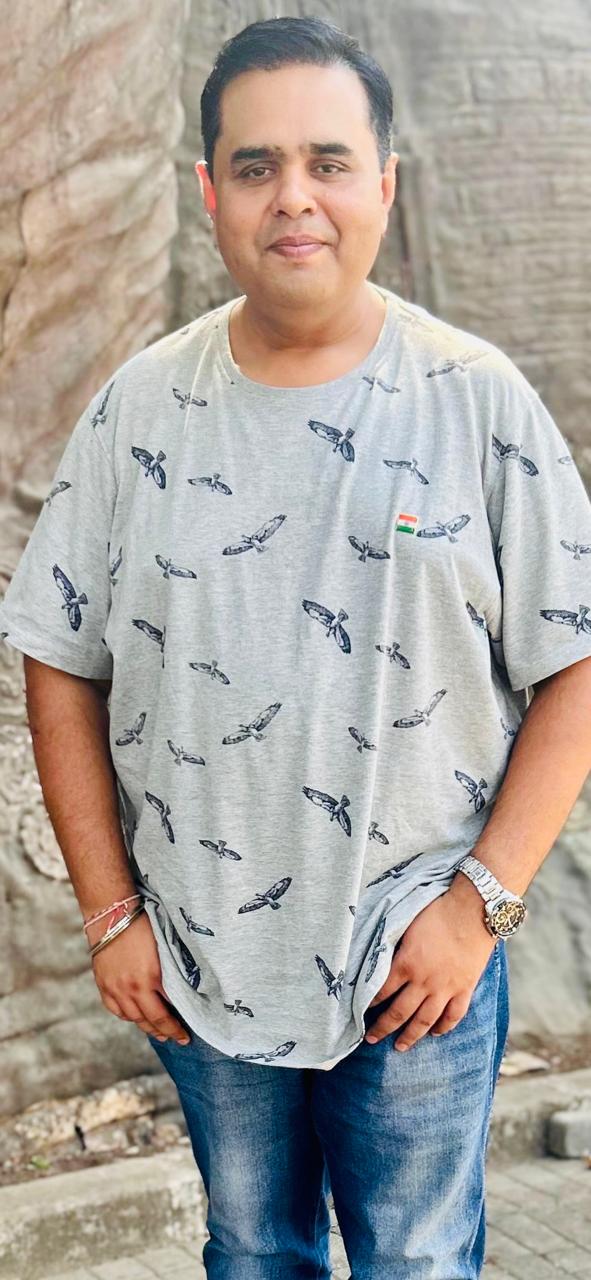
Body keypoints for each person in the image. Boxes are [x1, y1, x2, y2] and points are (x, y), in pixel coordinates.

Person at [1, 14, 590, 1279]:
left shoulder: (478, 403)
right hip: (202, 957)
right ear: (209, 190)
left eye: (329, 161)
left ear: (386, 181)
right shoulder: (138, 413)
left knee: (416, 1260)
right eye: (257, 164)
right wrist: (110, 913)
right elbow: (56, 651)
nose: (295, 198)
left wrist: (480, 908)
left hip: (416, 963)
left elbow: (578, 662)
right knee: (253, 1250)